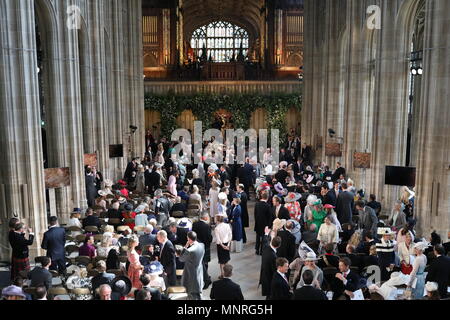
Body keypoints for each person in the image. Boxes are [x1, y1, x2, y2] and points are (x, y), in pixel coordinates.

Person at [179, 231, 205, 300]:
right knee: (198, 291)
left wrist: (185, 247)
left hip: (190, 273)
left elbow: (181, 259)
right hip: (199, 270)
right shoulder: (202, 245)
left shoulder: (190, 250)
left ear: (189, 239)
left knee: (191, 292)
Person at [192, 212, 213, 290]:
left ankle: (202, 277)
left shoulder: (194, 224)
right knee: (205, 264)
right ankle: (205, 278)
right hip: (205, 247)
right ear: (205, 218)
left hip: (197, 247)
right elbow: (209, 238)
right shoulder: (207, 226)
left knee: (199, 264)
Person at [259, 229, 281, 299]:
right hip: (269, 279)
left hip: (264, 275)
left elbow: (265, 241)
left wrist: (266, 233)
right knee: (270, 296)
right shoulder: (274, 256)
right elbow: (274, 270)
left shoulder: (266, 247)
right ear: (278, 246)